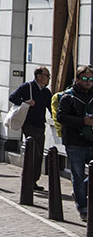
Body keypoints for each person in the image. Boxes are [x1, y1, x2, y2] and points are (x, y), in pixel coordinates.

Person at [57, 65, 93, 221]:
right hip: (75, 141)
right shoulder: (68, 97)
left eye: (91, 79)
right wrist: (82, 121)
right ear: (77, 79)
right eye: (84, 79)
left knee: (83, 179)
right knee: (77, 175)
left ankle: (81, 190)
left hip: (91, 140)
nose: (88, 82)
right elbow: (61, 117)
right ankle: (83, 208)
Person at [9, 66, 52, 191]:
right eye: (47, 75)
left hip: (40, 125)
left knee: (38, 155)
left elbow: (51, 108)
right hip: (28, 125)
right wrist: (25, 101)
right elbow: (12, 97)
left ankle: (33, 181)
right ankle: (27, 179)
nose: (48, 78)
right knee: (35, 153)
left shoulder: (46, 92)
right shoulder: (27, 87)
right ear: (39, 76)